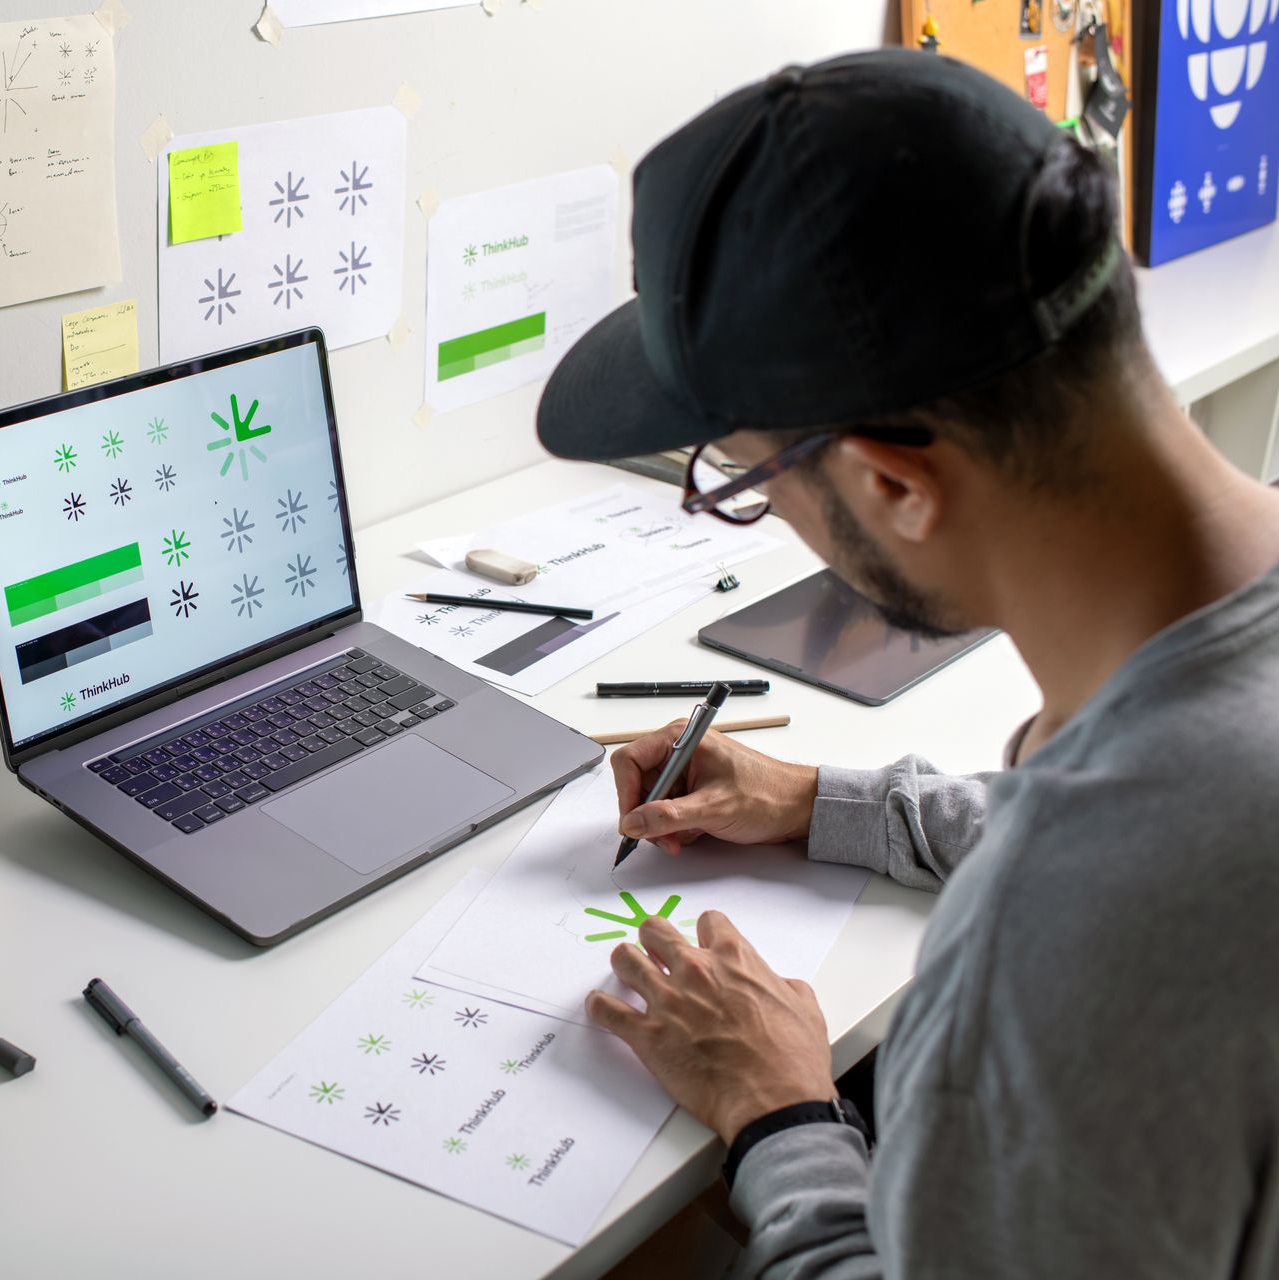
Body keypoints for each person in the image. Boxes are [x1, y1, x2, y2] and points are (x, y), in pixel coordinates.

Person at [536, 49, 1279, 1278]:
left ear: (892, 481)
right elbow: (1181, 812)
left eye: (743, 477)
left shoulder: (1062, 941)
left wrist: (783, 1113)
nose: (762, 510)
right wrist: (823, 800)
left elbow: (1136, 877)